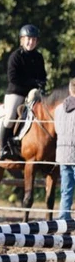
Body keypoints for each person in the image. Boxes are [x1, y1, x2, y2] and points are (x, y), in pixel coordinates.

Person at [0, 24, 47, 160]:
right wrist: (33, 82)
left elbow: (42, 75)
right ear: (22, 40)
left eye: (33, 39)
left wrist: (42, 83)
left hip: (33, 92)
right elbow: (13, 78)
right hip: (16, 92)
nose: (30, 42)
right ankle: (2, 147)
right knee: (10, 116)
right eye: (28, 39)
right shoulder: (15, 56)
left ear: (36, 42)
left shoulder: (38, 57)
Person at [54, 76, 75, 221]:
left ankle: (63, 217)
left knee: (66, 189)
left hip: (62, 152)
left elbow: (56, 129)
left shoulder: (58, 109)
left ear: (69, 89)